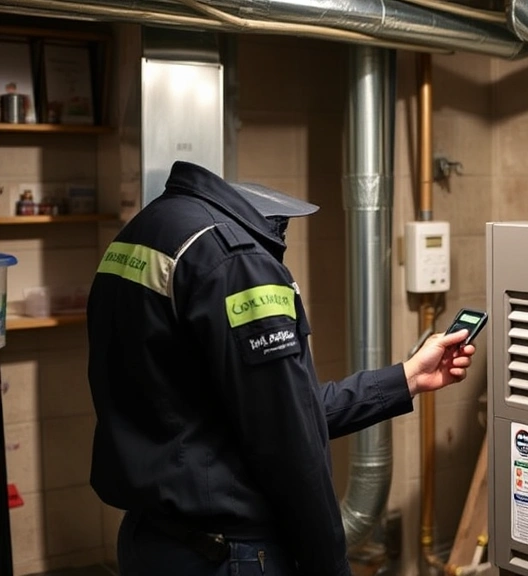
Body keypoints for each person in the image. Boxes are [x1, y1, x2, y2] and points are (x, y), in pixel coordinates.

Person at [87, 160, 477, 576]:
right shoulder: (238, 262)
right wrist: (331, 566)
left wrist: (408, 377)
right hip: (226, 555)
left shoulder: (145, 230)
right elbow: (288, 439)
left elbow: (268, 409)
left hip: (150, 542)